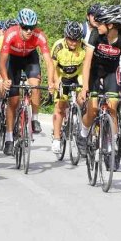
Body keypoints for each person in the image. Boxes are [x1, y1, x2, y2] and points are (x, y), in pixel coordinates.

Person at [77, 5, 121, 157]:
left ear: (110, 25)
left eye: (100, 22)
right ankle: (83, 134)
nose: (96, 25)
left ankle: (112, 146)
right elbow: (87, 62)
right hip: (95, 71)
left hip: (111, 71)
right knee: (93, 108)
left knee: (112, 106)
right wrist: (84, 88)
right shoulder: (96, 34)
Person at [0, 9, 56, 155]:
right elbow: (2, 61)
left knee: (35, 85)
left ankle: (35, 119)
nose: (29, 31)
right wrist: (5, 79)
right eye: (25, 27)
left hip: (30, 59)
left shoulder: (39, 35)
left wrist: (51, 82)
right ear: (19, 26)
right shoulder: (10, 34)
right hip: (13, 61)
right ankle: (9, 138)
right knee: (13, 101)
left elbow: (49, 62)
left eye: (32, 27)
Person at [50, 21, 86, 153]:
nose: (73, 43)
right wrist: (54, 82)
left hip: (78, 75)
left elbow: (87, 67)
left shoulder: (84, 47)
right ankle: (57, 138)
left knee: (83, 99)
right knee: (60, 105)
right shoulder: (58, 46)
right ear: (66, 37)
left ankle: (77, 118)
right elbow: (52, 67)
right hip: (61, 76)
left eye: (76, 40)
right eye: (71, 39)